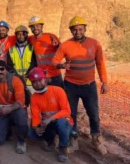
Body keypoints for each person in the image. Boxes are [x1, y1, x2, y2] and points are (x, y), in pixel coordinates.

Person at [52, 16, 108, 155]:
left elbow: (100, 64)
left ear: (85, 29)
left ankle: (95, 138)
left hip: (89, 86)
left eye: (80, 29)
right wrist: (61, 65)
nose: (77, 32)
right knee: (71, 114)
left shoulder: (94, 44)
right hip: (70, 86)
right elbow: (54, 60)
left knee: (93, 113)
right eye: (74, 30)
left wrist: (104, 82)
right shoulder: (66, 45)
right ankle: (73, 138)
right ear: (71, 31)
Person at [27, 67, 73, 163]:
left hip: (64, 121)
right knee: (31, 133)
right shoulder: (34, 97)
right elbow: (35, 116)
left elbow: (66, 111)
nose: (37, 83)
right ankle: (50, 141)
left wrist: (50, 118)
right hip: (48, 124)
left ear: (45, 79)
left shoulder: (58, 91)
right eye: (34, 81)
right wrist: (36, 128)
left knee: (61, 123)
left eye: (40, 80)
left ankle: (63, 148)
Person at [0, 60, 28, 154]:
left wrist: (9, 109)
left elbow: (21, 101)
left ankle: (21, 140)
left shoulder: (16, 81)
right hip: (0, 114)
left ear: (6, 69)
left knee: (21, 115)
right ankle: (8, 130)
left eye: (2, 69)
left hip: (14, 110)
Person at [28, 16, 63, 87]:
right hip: (41, 76)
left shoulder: (51, 37)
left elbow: (62, 50)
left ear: (42, 26)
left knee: (59, 96)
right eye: (33, 26)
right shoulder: (31, 39)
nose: (35, 28)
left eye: (38, 25)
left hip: (54, 75)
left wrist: (57, 46)